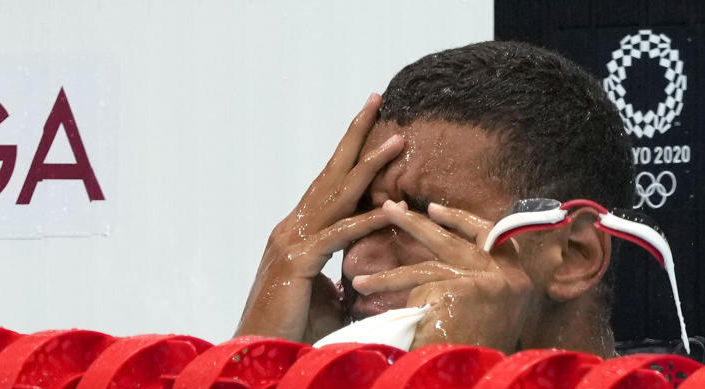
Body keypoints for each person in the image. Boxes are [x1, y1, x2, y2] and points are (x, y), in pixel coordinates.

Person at [235, 41, 633, 357]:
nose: (357, 265)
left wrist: (452, 375)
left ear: (573, 255)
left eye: (423, 223)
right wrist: (258, 368)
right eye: (355, 222)